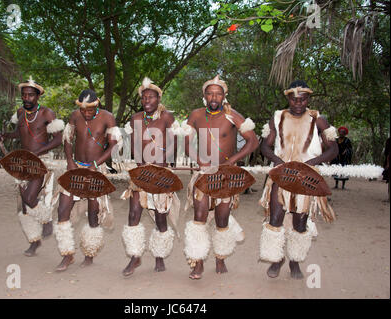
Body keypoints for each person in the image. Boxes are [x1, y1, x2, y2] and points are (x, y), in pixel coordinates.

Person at [259, 80, 338, 279]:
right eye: (294, 100)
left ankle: (295, 262)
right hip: (281, 175)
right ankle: (276, 260)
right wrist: (279, 161)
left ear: (308, 99)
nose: (298, 104)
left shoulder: (318, 119)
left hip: (305, 178)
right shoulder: (277, 117)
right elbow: (264, 147)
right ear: (288, 99)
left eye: (302, 100)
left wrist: (311, 163)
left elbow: (334, 149)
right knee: (275, 219)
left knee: (300, 223)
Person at [182, 75, 259, 279]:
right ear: (204, 95)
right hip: (204, 174)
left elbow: (253, 142)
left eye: (218, 93)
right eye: (210, 93)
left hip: (225, 175)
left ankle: (220, 257)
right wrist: (198, 159)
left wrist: (232, 160)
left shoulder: (233, 116)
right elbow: (186, 143)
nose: (214, 97)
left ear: (224, 96)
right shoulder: (196, 115)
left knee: (221, 219)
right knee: (199, 216)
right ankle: (197, 262)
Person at [54, 89, 121, 272]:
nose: (86, 113)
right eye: (83, 110)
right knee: (62, 209)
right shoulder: (75, 116)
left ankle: (89, 253)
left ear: (96, 105)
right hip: (75, 168)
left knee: (93, 213)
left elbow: (114, 146)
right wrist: (69, 161)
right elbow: (68, 139)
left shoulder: (108, 118)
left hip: (95, 170)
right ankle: (67, 254)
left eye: (90, 110)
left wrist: (95, 164)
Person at [120, 77, 180, 276]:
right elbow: (133, 145)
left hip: (161, 175)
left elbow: (174, 142)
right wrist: (138, 165)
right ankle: (135, 257)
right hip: (140, 174)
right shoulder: (136, 118)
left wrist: (166, 164)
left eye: (151, 97)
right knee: (133, 214)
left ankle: (160, 256)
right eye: (144, 97)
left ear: (158, 98)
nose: (147, 100)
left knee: (160, 218)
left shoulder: (167, 117)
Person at [0, 77, 64, 256]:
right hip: (23, 162)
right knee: (26, 206)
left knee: (29, 197)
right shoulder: (20, 113)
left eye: (30, 95)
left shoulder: (46, 113)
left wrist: (39, 152)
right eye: (24, 95)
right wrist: (6, 135)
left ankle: (46, 220)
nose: (26, 98)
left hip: (41, 160)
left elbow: (58, 139)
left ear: (37, 97)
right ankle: (34, 242)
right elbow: (20, 134)